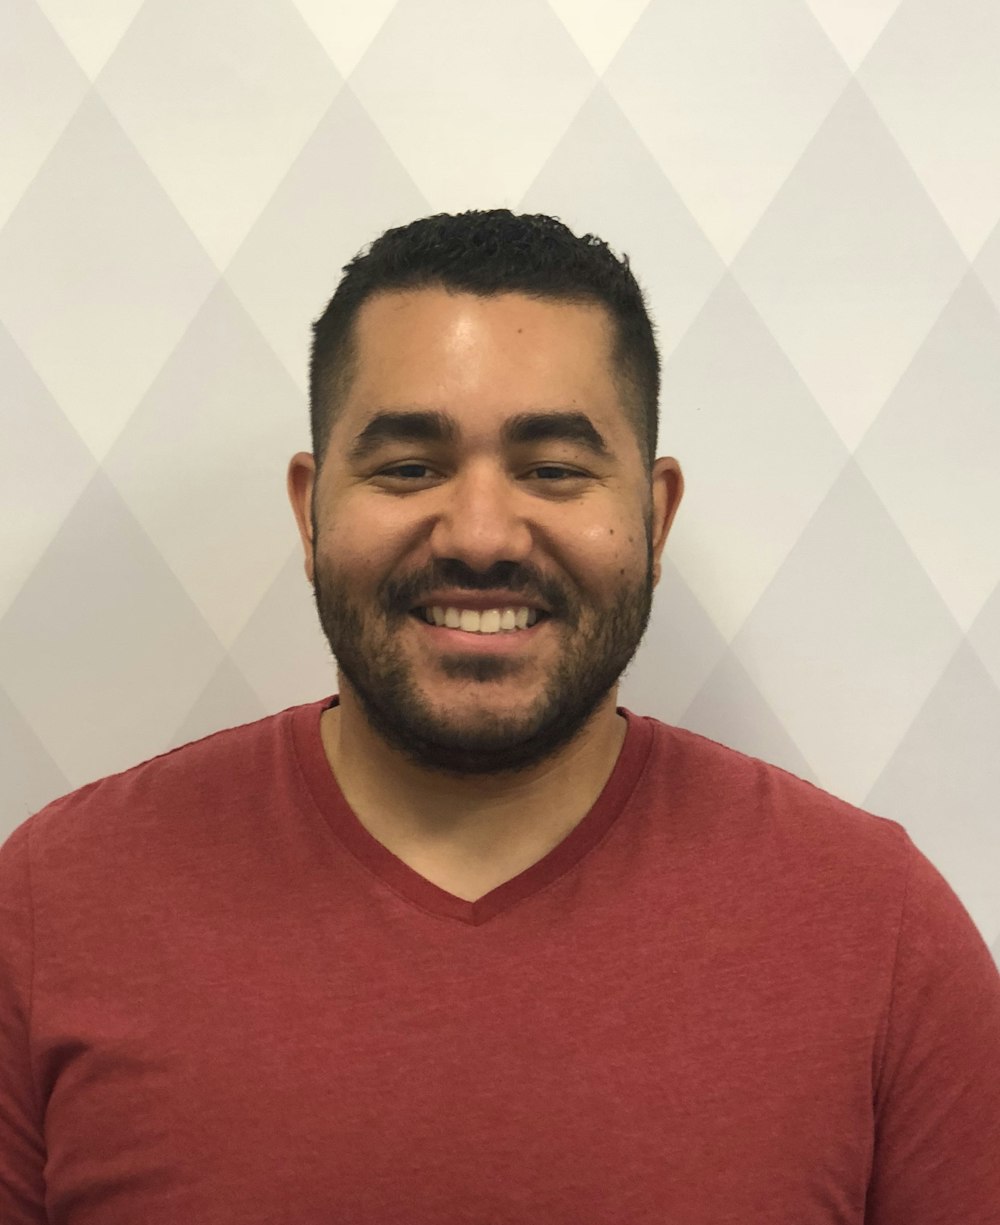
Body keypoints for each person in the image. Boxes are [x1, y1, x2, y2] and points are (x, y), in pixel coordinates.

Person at [1, 210, 998, 1224]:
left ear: (654, 519)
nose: (480, 534)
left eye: (553, 470)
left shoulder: (879, 935)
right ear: (310, 512)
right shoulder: (49, 910)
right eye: (408, 468)